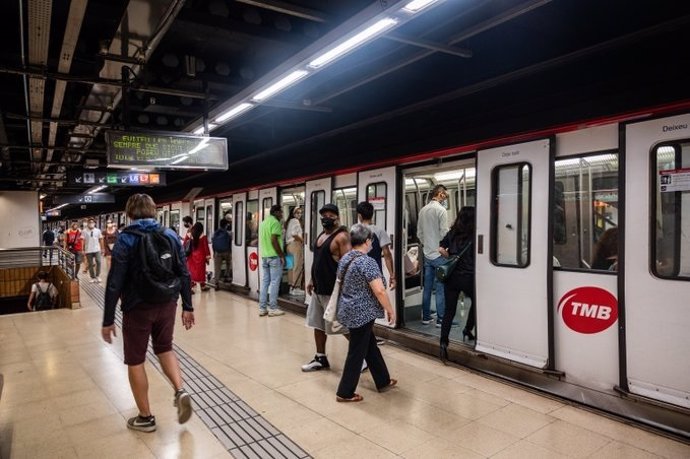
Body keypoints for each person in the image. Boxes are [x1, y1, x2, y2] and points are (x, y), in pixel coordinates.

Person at [102, 193, 195, 433]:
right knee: (165, 348)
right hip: (167, 302)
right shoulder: (171, 235)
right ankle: (180, 389)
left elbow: (115, 281)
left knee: (136, 360)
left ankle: (145, 417)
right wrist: (188, 306)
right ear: (154, 211)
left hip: (138, 307)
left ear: (129, 213)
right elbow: (184, 273)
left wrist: (108, 319)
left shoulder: (126, 239)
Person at [335, 224, 397, 402]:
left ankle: (383, 380)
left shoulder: (346, 258)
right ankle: (344, 392)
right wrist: (390, 310)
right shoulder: (366, 261)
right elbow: (379, 290)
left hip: (349, 309)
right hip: (362, 313)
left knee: (369, 345)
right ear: (367, 241)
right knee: (356, 351)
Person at [302, 204, 351, 372]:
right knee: (318, 324)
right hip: (318, 289)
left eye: (330, 215)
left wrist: (345, 291)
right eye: (324, 215)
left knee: (342, 326)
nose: (326, 218)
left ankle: (364, 356)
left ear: (337, 217)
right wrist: (311, 279)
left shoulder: (342, 237)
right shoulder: (321, 235)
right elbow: (318, 261)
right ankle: (320, 358)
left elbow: (348, 264)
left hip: (332, 291)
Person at [438, 207, 476, 361]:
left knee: (449, 310)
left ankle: (443, 342)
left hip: (452, 277)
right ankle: (468, 329)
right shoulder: (475, 234)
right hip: (469, 277)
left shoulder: (452, 232)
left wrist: (451, 258)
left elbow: (440, 248)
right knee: (476, 304)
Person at [417, 184, 450, 326]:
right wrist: (444, 249)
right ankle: (441, 319)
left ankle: (426, 317)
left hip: (427, 254)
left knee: (427, 287)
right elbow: (444, 233)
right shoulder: (441, 211)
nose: (446, 198)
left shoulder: (423, 211)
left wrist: (428, 245)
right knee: (441, 288)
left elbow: (420, 233)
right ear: (440, 194)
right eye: (445, 195)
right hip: (438, 255)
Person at [356, 201, 396, 290]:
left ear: (360, 216)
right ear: (372, 214)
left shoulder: (354, 232)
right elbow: (387, 255)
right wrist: (392, 276)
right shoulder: (379, 231)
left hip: (359, 277)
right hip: (376, 275)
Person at [258, 204, 286, 316]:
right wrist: (282, 255)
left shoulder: (263, 223)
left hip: (264, 256)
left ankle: (262, 308)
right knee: (275, 283)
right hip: (274, 257)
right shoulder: (275, 223)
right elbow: (274, 240)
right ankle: (273, 308)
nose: (282, 214)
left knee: (265, 283)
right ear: (276, 212)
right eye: (281, 212)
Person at [186, 222, 211, 292]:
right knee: (201, 272)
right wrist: (207, 258)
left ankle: (191, 287)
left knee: (192, 272)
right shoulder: (203, 237)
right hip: (201, 257)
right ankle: (203, 286)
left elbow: (185, 243)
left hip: (191, 257)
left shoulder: (190, 235)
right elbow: (206, 248)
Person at [285, 207, 305, 295]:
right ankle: (296, 287)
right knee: (297, 265)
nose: (299, 215)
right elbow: (294, 234)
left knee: (290, 266)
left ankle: (291, 287)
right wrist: (303, 240)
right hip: (295, 245)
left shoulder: (289, 221)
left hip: (288, 246)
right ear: (293, 213)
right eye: (297, 213)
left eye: (300, 213)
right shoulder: (296, 221)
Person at [211, 218, 233, 290]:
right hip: (226, 252)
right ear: (226, 225)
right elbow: (230, 242)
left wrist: (214, 252)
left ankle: (216, 283)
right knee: (228, 262)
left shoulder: (215, 233)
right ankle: (226, 275)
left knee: (217, 268)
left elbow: (213, 243)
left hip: (217, 252)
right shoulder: (228, 233)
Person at [82, 218, 105, 283]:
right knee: (90, 264)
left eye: (92, 222)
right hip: (88, 249)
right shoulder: (84, 231)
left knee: (99, 262)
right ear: (88, 223)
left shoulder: (98, 230)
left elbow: (101, 239)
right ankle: (92, 277)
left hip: (97, 249)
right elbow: (82, 240)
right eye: (90, 222)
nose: (91, 223)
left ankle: (97, 276)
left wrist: (102, 248)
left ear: (94, 223)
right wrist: (82, 249)